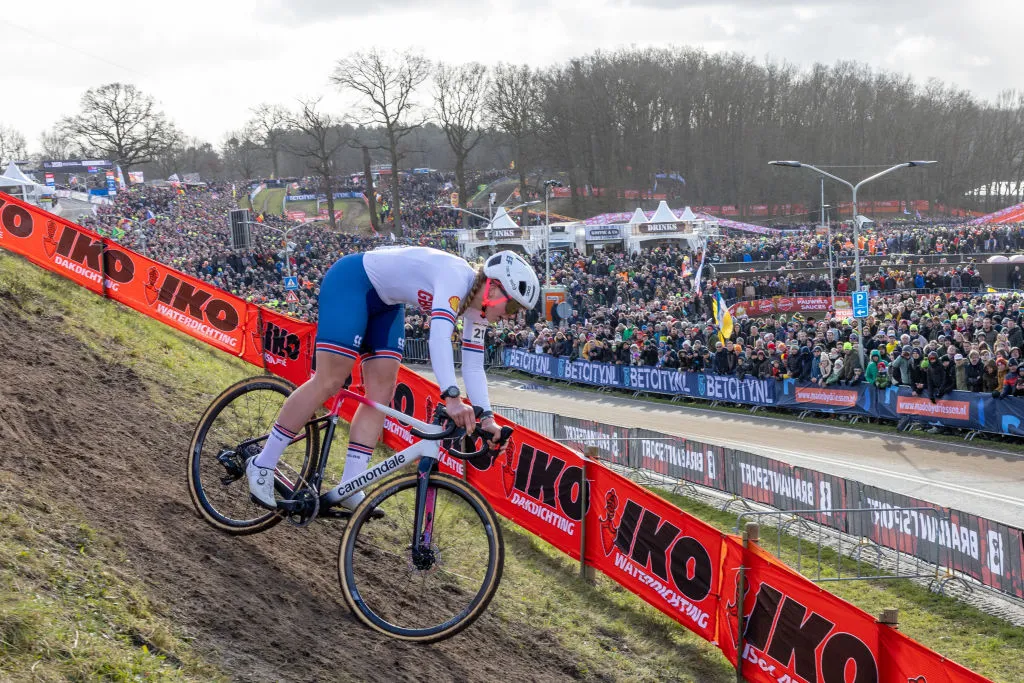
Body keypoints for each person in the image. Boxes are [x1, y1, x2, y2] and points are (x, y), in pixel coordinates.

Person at [245, 247, 540, 511]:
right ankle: (263, 463)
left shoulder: (478, 310)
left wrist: (486, 418)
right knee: (331, 379)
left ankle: (350, 484)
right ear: (493, 288)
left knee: (381, 393)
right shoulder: (455, 277)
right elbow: (437, 339)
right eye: (513, 308)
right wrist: (452, 398)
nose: (511, 317)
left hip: (386, 305)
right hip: (352, 282)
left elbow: (474, 365)